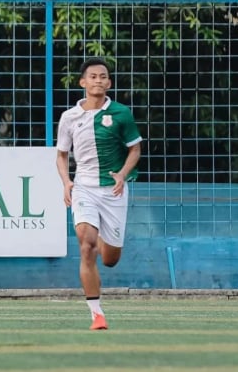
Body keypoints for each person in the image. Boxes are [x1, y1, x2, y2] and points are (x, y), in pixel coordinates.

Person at [55, 58, 142, 330]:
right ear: (83, 82)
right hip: (84, 188)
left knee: (110, 259)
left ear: (109, 83)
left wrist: (123, 174)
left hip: (113, 191)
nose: (98, 81)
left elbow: (135, 150)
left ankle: (107, 236)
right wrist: (66, 182)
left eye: (103, 77)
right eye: (93, 76)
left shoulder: (121, 113)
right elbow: (61, 155)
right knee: (86, 245)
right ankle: (97, 313)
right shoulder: (69, 117)